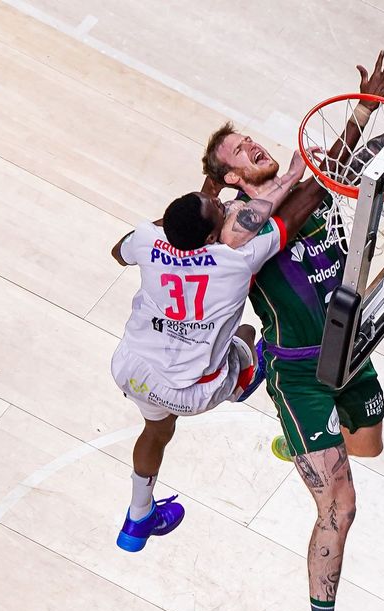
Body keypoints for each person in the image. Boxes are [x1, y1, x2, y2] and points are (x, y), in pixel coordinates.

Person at [201, 47, 384, 611]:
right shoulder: (238, 224)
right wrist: (360, 113)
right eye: (238, 150)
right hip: (300, 373)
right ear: (231, 178)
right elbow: (311, 190)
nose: (252, 145)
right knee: (341, 504)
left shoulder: (309, 180)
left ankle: (297, 442)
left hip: (352, 351)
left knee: (369, 445)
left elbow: (378, 153)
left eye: (248, 138)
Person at [109, 151, 316, 552]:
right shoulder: (235, 258)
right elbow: (299, 208)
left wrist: (174, 223)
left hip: (134, 369)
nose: (223, 205)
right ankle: (241, 383)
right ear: (210, 238)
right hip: (194, 391)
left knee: (157, 431)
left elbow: (118, 252)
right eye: (219, 208)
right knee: (248, 331)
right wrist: (336, 159)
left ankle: (138, 519)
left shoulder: (148, 239)